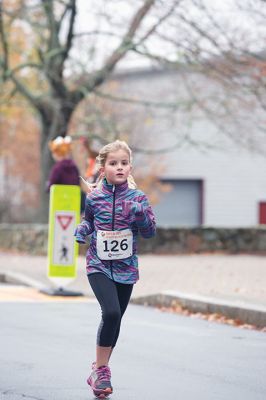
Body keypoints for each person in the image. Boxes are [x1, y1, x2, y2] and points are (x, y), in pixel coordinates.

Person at [74, 140, 156, 398]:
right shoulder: (95, 197)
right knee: (110, 312)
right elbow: (89, 222)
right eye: (113, 163)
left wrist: (140, 214)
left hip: (126, 267)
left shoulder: (138, 198)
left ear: (130, 168)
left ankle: (99, 369)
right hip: (98, 263)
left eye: (123, 163)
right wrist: (82, 230)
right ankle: (102, 370)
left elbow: (149, 232)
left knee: (117, 317)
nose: (119, 167)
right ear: (103, 168)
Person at [46, 136, 86, 212]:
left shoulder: (57, 168)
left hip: (60, 203)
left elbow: (51, 184)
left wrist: (48, 187)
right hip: (73, 201)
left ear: (57, 153)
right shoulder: (74, 167)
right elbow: (77, 183)